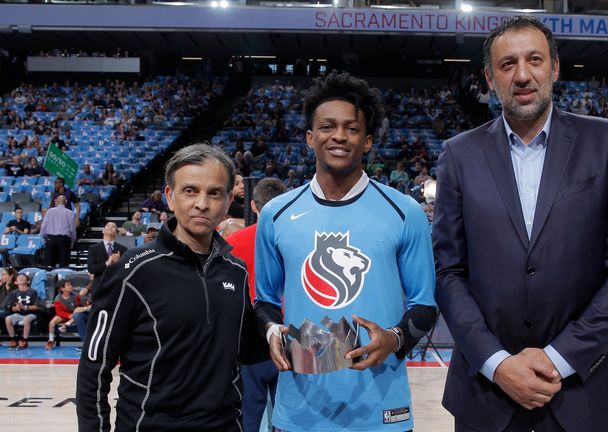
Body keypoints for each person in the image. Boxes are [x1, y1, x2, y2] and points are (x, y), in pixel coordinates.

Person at [432, 15, 608, 431]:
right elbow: (448, 272)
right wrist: (497, 363)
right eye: (507, 64)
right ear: (489, 78)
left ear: (555, 67)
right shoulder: (459, 155)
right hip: (486, 394)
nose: (522, 74)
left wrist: (558, 357)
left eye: (534, 59)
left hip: (582, 393)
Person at [254, 72, 437, 432]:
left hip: (382, 412)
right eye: (327, 126)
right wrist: (273, 330)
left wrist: (394, 338)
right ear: (310, 137)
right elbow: (264, 302)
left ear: (368, 141)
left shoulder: (405, 212)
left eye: (352, 129)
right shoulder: (277, 214)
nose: (339, 136)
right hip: (298, 412)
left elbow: (425, 306)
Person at [76, 144, 264, 431]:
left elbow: (249, 350)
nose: (202, 203)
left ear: (227, 203)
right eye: (190, 191)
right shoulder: (132, 271)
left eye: (214, 193)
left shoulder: (236, 272)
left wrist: (303, 345)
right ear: (169, 197)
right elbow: (94, 367)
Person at [227, 177, 287, 431]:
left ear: (253, 205)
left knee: (248, 419)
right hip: (290, 337)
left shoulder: (233, 243)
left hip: (249, 340)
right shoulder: (299, 241)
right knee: (289, 421)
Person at [87, 222, 127, 293]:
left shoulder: (123, 249)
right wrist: (107, 263)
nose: (110, 227)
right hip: (99, 286)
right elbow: (91, 269)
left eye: (113, 226)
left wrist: (118, 262)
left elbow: (126, 269)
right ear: (103, 231)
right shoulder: (93, 248)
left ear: (116, 233)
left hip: (116, 286)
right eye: (108, 226)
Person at [3, 273, 40, 350]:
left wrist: (24, 307)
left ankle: (24, 340)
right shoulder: (13, 293)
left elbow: (37, 306)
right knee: (8, 319)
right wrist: (15, 308)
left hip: (31, 313)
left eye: (23, 277)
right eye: (19, 277)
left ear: (28, 281)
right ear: (15, 282)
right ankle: (13, 339)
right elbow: (11, 307)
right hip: (19, 314)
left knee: (26, 319)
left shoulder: (33, 292)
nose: (21, 278)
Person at [40, 195, 76, 268]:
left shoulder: (49, 211)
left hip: (50, 239)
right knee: (64, 263)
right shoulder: (70, 212)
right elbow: (72, 229)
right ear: (65, 202)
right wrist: (72, 240)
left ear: (56, 202)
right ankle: (63, 277)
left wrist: (44, 237)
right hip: (64, 239)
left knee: (49, 264)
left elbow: (43, 226)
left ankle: (49, 277)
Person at [45, 278, 81, 350]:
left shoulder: (76, 296)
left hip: (74, 314)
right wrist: (68, 315)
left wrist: (73, 314)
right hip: (63, 315)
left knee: (77, 315)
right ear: (62, 288)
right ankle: (51, 340)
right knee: (52, 323)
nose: (71, 286)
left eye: (71, 284)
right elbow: (59, 312)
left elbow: (79, 307)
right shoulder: (57, 299)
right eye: (68, 285)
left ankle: (66, 324)